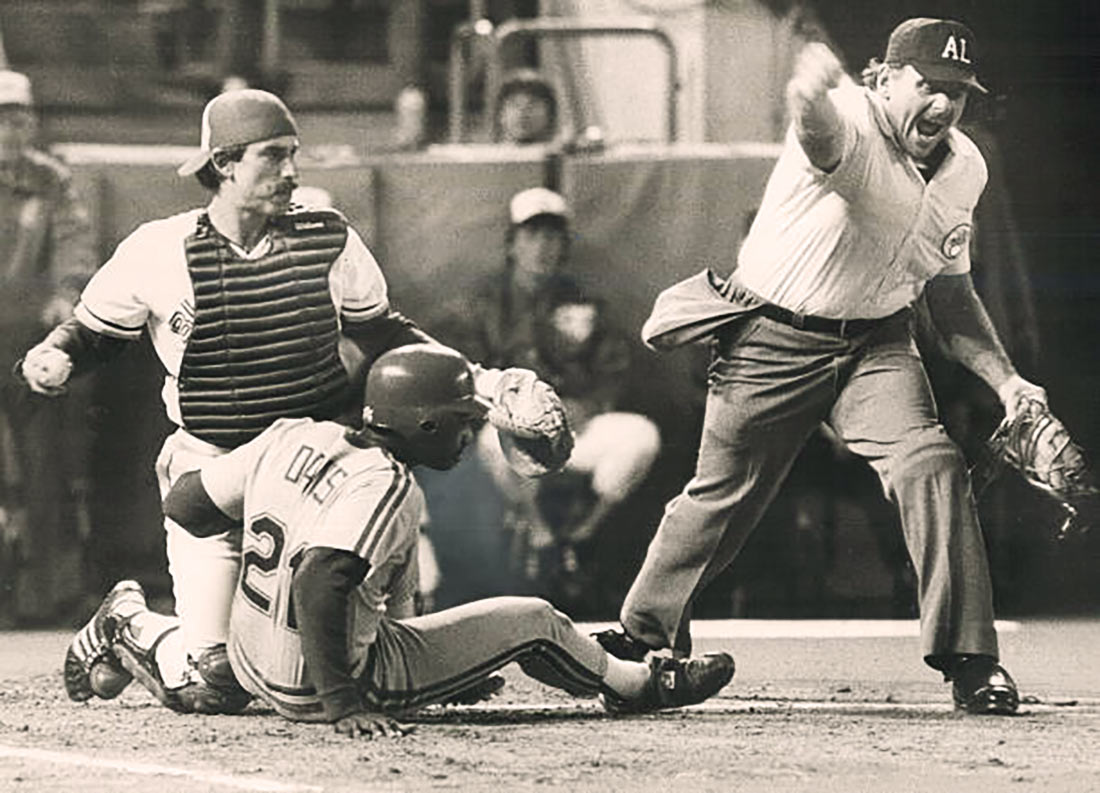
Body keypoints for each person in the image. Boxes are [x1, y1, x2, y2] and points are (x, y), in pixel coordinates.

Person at [595, 18, 1044, 716]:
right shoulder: (850, 120)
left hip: (877, 343)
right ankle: (638, 640)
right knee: (722, 497)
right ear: (885, 78)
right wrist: (806, 95)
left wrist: (1007, 381)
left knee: (932, 462)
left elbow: (951, 296)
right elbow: (819, 135)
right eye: (928, 85)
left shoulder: (967, 170)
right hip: (774, 335)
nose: (943, 105)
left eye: (958, 91)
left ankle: (972, 660)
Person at [19, 88, 473, 713]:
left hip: (312, 475)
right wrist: (58, 353)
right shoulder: (161, 248)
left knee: (353, 647)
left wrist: (479, 383)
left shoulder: (329, 238)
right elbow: (96, 332)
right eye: (272, 156)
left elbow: (386, 334)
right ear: (225, 164)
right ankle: (128, 623)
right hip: (211, 466)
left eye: (293, 155)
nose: (290, 172)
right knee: (215, 684)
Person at [72, 344, 734, 734]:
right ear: (419, 424)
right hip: (320, 682)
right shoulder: (389, 485)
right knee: (534, 619)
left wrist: (276, 511)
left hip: (245, 661)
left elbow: (185, 503)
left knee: (388, 595)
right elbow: (318, 578)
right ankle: (638, 682)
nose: (469, 433)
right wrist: (343, 704)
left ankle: (131, 619)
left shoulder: (291, 434)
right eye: (458, 421)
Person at [439, 187, 660, 601]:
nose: (542, 247)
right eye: (532, 236)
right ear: (512, 243)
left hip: (574, 427)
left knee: (640, 436)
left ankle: (583, 535)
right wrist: (506, 409)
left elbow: (614, 369)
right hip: (511, 428)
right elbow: (461, 372)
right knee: (492, 441)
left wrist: (588, 406)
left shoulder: (583, 301)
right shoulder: (481, 304)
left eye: (552, 237)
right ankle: (541, 535)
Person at [0, 69, 97, 625]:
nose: (10, 132)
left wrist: (66, 292)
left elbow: (74, 242)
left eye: (18, 120)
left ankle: (49, 596)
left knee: (46, 465)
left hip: (29, 342)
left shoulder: (52, 181)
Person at [492, 69, 559, 145]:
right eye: (515, 104)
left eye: (533, 104)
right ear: (500, 115)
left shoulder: (564, 155)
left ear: (550, 114)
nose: (523, 111)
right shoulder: (484, 154)